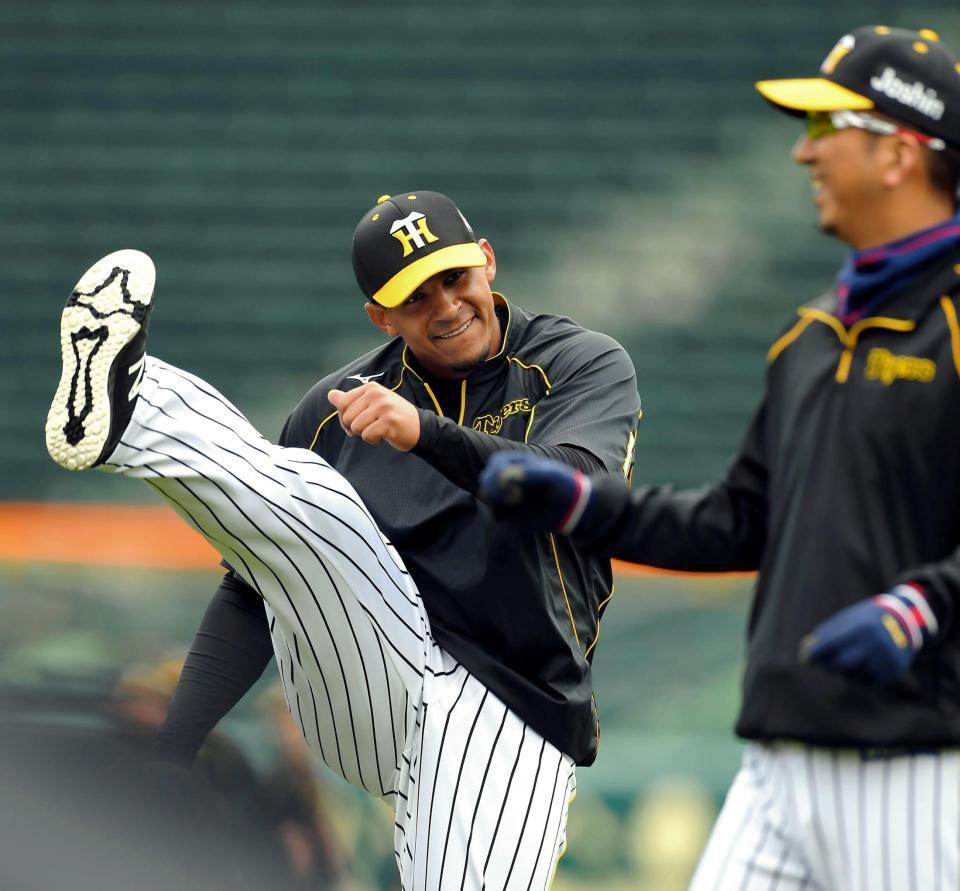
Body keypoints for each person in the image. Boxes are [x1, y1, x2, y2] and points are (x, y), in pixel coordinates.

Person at [44, 190, 641, 891]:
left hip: (512, 707)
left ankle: (142, 403)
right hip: (365, 677)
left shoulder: (577, 363)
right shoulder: (341, 408)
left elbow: (577, 488)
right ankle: (134, 403)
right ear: (380, 315)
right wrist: (172, 748)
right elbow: (253, 583)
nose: (446, 305)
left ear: (487, 261)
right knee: (317, 496)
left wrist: (423, 432)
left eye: (454, 277)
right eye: (416, 296)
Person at [479, 25, 960, 891]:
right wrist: (585, 506)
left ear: (901, 153)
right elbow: (741, 521)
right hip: (779, 749)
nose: (801, 154)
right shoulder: (811, 336)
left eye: (825, 128)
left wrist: (921, 607)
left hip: (916, 753)